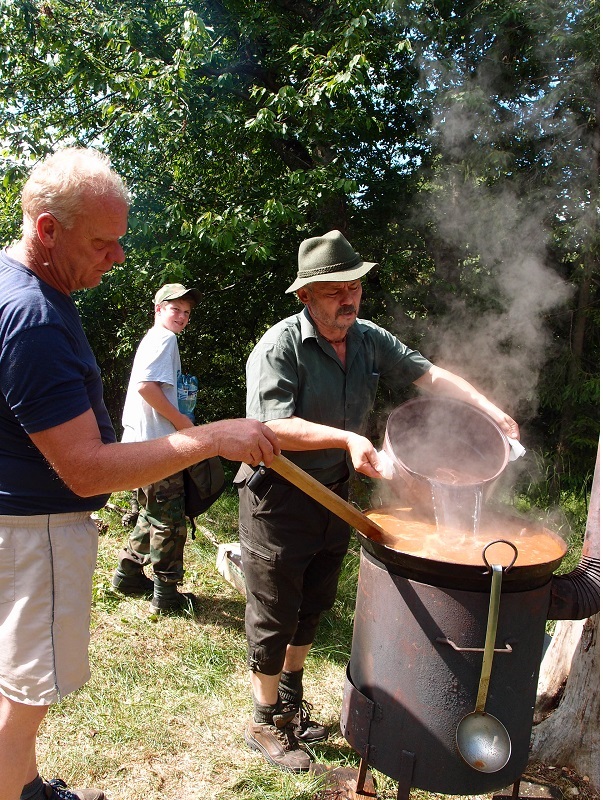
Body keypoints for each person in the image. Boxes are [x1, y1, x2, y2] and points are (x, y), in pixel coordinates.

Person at [0, 148, 279, 800]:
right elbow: (84, 470)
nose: (118, 257)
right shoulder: (34, 316)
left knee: (13, 678)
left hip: (17, 525)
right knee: (27, 693)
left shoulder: (18, 287)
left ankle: (23, 784)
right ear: (48, 229)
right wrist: (209, 438)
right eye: (103, 242)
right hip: (36, 532)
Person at [236, 229, 520, 772]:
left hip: (334, 494)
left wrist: (489, 408)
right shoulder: (279, 347)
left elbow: (430, 375)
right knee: (275, 609)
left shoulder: (368, 339)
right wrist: (347, 439)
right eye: (334, 291)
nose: (348, 299)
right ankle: (263, 720)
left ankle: (291, 703)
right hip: (280, 493)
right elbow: (271, 426)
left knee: (313, 601)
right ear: (305, 296)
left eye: (355, 288)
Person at [112, 282, 204, 612]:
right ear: (159, 309)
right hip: (157, 446)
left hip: (140, 444)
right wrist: (181, 422)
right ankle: (166, 595)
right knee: (170, 520)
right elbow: (146, 387)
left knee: (151, 512)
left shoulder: (154, 338)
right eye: (175, 309)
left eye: (187, 312)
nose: (182, 317)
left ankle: (127, 574)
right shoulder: (165, 339)